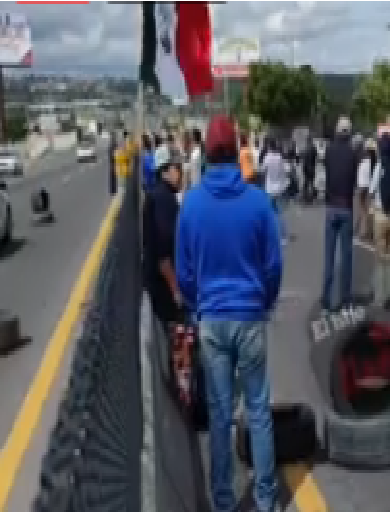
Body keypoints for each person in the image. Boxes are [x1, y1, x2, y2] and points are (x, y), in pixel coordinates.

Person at [175, 116, 281, 512]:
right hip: (250, 315)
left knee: (219, 413)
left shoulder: (193, 204)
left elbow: (185, 272)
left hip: (211, 321)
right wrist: (264, 300)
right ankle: (266, 497)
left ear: (206, 153)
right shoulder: (257, 202)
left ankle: (222, 499)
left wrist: (197, 302)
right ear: (237, 150)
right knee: (258, 410)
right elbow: (272, 265)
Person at [143, 146, 183, 324]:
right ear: (165, 171)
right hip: (164, 289)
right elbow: (163, 253)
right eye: (177, 168)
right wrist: (175, 289)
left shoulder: (160, 196)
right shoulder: (164, 200)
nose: (180, 173)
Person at [321, 116, 358, 312]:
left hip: (331, 205)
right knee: (346, 256)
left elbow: (328, 171)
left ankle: (326, 298)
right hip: (346, 206)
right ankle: (345, 297)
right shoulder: (353, 154)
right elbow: (352, 178)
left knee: (329, 254)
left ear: (337, 131)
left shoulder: (329, 150)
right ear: (349, 132)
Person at [369, 132, 390, 310]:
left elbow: (371, 188)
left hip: (380, 214)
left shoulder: (379, 166)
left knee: (381, 258)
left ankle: (381, 297)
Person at [261, 138, 291, 246]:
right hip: (279, 188)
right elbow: (285, 171)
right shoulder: (279, 157)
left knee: (270, 213)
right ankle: (283, 237)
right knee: (279, 213)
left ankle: (270, 236)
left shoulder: (267, 158)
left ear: (269, 146)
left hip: (269, 188)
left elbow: (263, 171)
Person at [355, 139, 377, 240]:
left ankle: (363, 231)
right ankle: (370, 231)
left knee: (363, 210)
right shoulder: (376, 163)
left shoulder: (363, 162)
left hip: (362, 187)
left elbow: (359, 177)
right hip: (371, 188)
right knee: (370, 210)